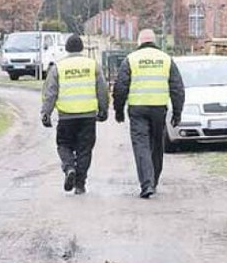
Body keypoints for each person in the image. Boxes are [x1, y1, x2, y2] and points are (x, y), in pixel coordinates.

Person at [113, 29, 185, 199]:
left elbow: (120, 87)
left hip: (137, 109)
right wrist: (177, 112)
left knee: (141, 146)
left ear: (139, 42)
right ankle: (154, 181)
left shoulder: (131, 59)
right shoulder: (166, 59)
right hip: (159, 108)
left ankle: (146, 184)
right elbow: (177, 88)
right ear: (155, 41)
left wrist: (118, 110)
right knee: (157, 145)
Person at [41, 34, 109, 195]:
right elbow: (102, 90)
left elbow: (50, 93)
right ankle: (80, 184)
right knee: (84, 150)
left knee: (63, 145)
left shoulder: (58, 67)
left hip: (66, 116)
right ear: (81, 48)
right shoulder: (93, 65)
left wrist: (46, 113)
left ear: (66, 48)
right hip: (88, 116)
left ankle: (69, 167)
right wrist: (103, 109)